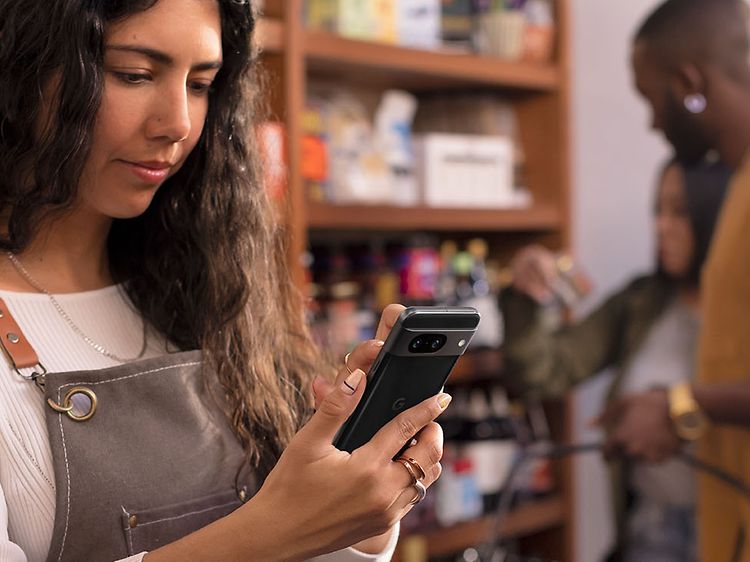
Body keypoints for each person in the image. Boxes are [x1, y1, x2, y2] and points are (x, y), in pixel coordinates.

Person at [0, 1, 450, 561]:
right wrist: (277, 527)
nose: (178, 124)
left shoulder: (206, 292)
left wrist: (359, 518)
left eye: (200, 83)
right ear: (20, 69)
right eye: (134, 75)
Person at [501, 158, 730, 562]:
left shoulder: (737, 316)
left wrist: (675, 410)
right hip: (652, 532)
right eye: (657, 211)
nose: (661, 226)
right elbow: (544, 371)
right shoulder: (642, 302)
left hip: (732, 529)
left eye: (679, 212)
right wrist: (525, 298)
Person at [603, 0, 750, 560]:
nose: (653, 123)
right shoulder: (737, 188)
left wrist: (681, 406)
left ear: (690, 83)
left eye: (652, 99)